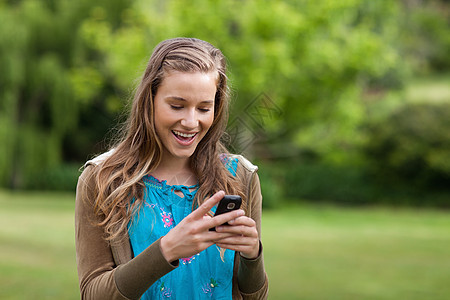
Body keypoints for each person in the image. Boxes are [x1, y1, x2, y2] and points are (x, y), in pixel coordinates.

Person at [75, 37, 268, 300]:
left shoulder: (240, 176)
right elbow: (92, 294)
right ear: (150, 99)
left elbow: (255, 296)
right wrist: (166, 250)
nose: (191, 122)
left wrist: (252, 255)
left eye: (204, 108)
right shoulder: (101, 179)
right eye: (177, 106)